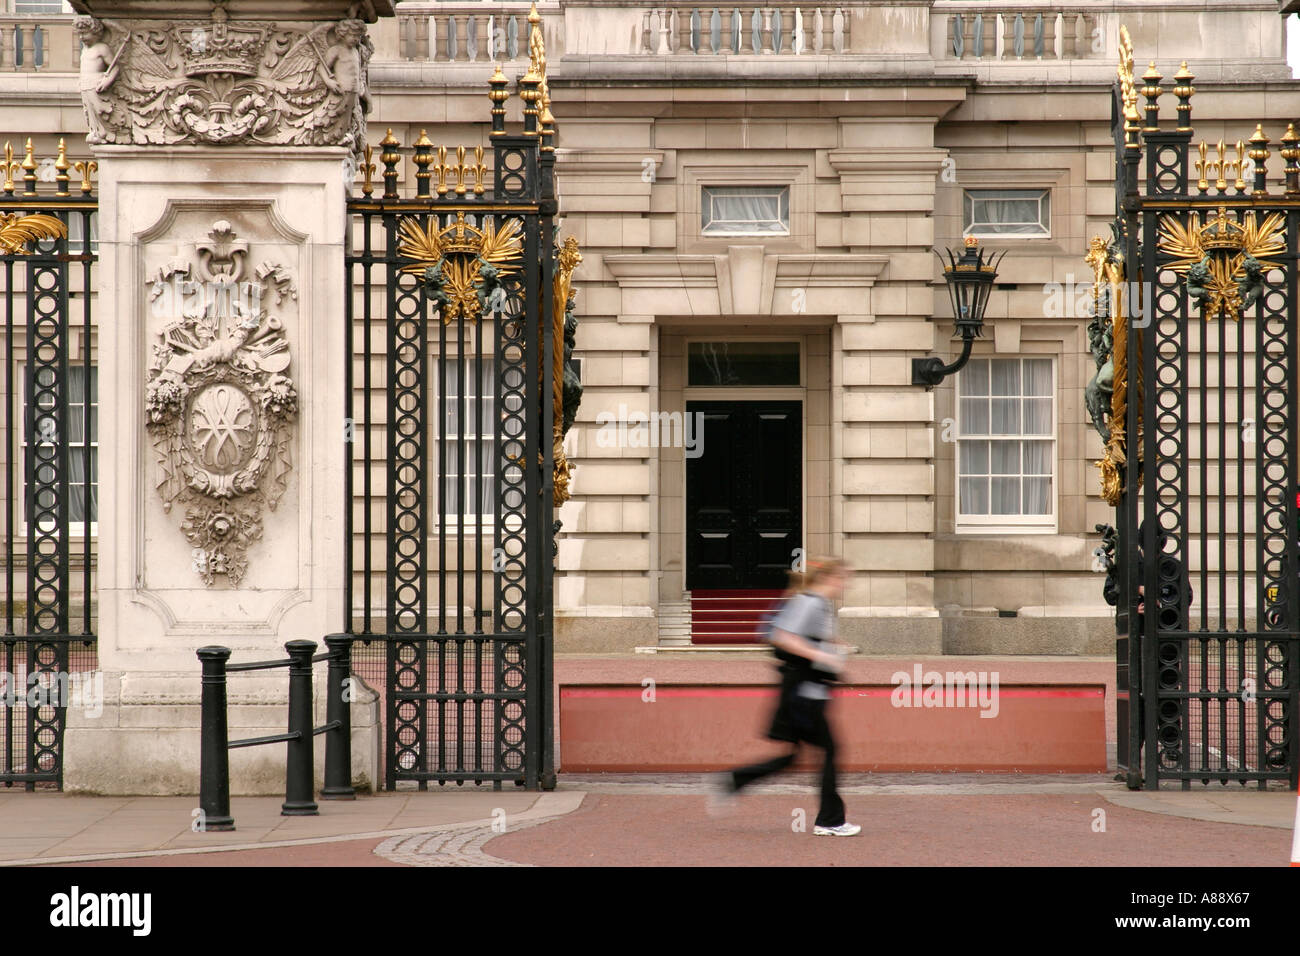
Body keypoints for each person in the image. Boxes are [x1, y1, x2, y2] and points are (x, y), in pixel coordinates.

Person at [711, 557, 860, 837]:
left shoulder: (821, 604)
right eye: (844, 578)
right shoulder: (810, 602)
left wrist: (837, 649)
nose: (846, 584)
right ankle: (830, 821)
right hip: (804, 694)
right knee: (829, 751)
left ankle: (734, 781)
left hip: (806, 692)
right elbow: (782, 637)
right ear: (830, 578)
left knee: (793, 757)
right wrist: (823, 656)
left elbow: (810, 637)